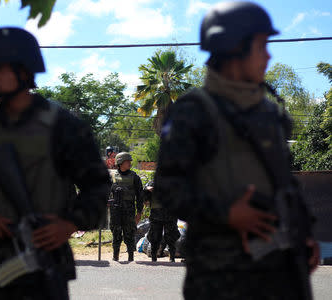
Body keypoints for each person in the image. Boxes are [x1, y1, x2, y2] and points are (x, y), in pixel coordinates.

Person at [154, 2, 320, 299]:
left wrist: (303, 234)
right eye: (261, 46)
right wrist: (227, 213)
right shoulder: (193, 112)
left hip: (284, 271)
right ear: (234, 48)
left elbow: (285, 184)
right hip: (221, 276)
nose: (269, 55)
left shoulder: (270, 112)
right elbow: (168, 190)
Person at [0, 27, 110, 300]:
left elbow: (97, 186)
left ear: (25, 71)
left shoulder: (63, 127)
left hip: (45, 264)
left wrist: (70, 223)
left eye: (0, 68)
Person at [109, 152, 143, 261]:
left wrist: (139, 212)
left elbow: (140, 196)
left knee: (129, 234)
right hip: (115, 210)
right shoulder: (112, 177)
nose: (130, 163)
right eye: (127, 161)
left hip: (129, 210)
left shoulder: (134, 177)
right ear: (120, 163)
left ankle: (131, 258)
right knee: (116, 234)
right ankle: (115, 256)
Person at [142, 180, 180, 262]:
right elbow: (145, 198)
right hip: (156, 214)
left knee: (171, 236)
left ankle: (172, 257)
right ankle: (153, 257)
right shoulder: (152, 183)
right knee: (154, 236)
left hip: (170, 214)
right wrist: (147, 190)